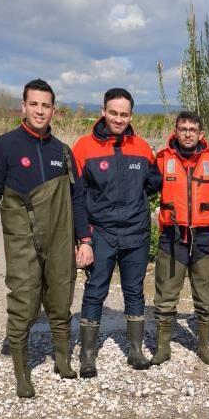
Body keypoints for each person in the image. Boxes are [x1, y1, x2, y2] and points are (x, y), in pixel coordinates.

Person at [0, 79, 93, 398]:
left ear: (53, 110)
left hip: (59, 235)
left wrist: (84, 239)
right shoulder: (2, 146)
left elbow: (78, 198)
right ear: (23, 105)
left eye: (46, 105)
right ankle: (21, 372)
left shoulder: (63, 152)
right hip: (21, 236)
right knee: (24, 301)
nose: (40, 111)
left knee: (60, 295)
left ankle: (61, 360)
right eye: (34, 104)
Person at [72, 88, 162, 377]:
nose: (118, 119)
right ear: (103, 111)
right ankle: (88, 355)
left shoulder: (143, 148)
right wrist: (83, 237)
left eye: (124, 114)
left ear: (131, 115)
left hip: (136, 231)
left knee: (134, 290)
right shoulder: (84, 147)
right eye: (113, 112)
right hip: (101, 232)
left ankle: (135, 350)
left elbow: (153, 183)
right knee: (95, 290)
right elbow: (76, 195)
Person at [151, 111, 209, 366]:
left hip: (203, 238)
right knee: (165, 295)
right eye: (183, 128)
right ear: (175, 131)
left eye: (192, 129)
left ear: (201, 134)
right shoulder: (162, 160)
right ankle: (163, 347)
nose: (187, 133)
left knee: (206, 296)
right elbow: (140, 188)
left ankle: (203, 345)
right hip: (172, 237)